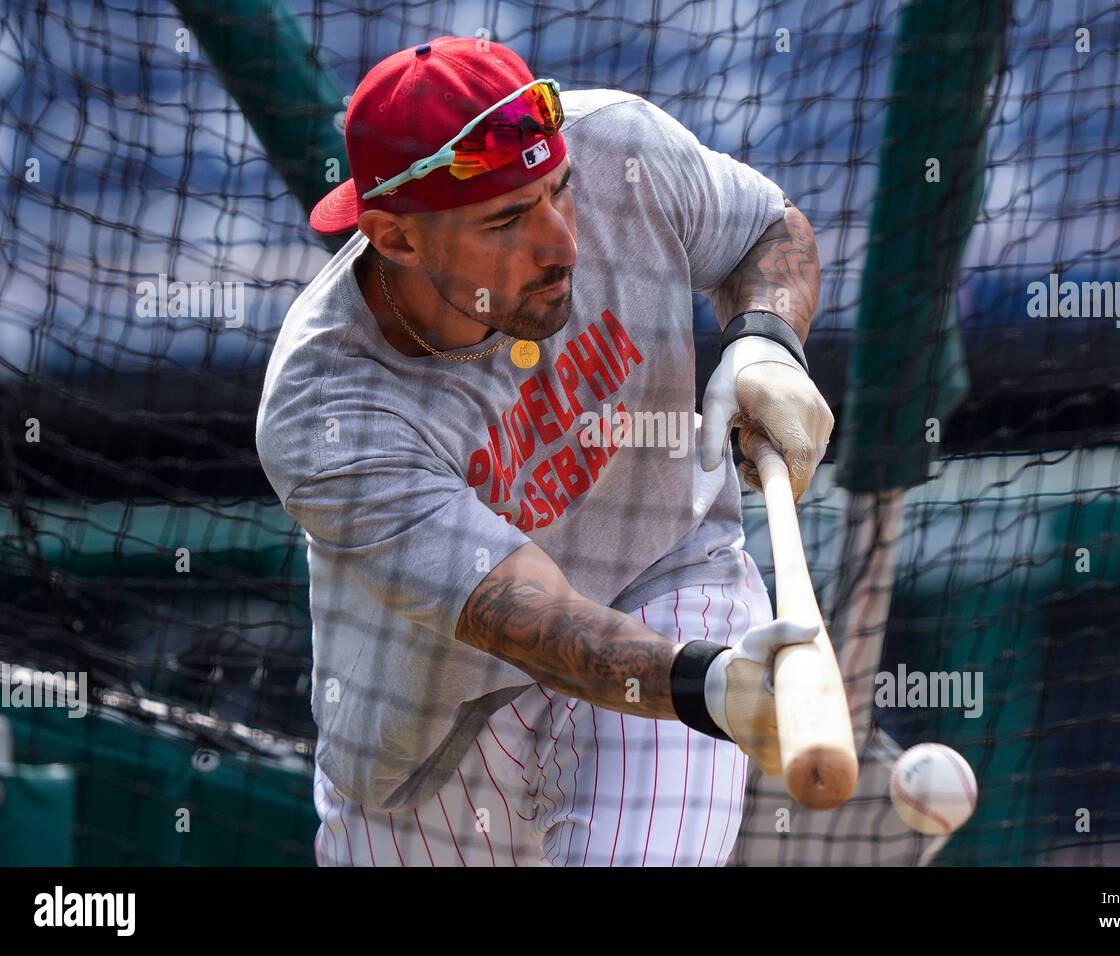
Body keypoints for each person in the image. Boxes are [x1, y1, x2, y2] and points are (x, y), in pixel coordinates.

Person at [256, 35, 833, 866]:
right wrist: (716, 686)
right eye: (506, 220)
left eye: (558, 191)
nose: (562, 242)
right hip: (432, 739)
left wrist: (767, 338)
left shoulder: (620, 149)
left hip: (667, 583)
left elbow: (767, 229)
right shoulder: (328, 406)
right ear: (396, 238)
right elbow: (532, 622)